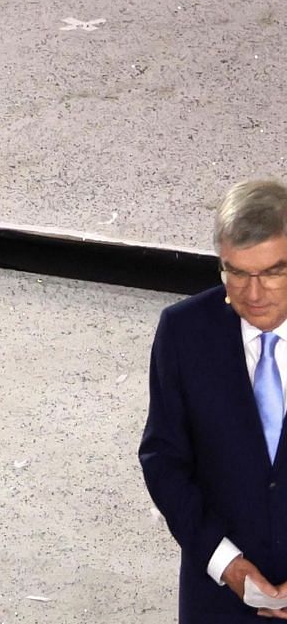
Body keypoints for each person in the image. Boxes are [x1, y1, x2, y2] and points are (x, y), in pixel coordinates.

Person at [143, 178, 287, 621]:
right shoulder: (184, 333)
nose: (254, 293)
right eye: (237, 272)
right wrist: (227, 565)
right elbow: (163, 460)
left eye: (273, 271)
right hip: (218, 601)